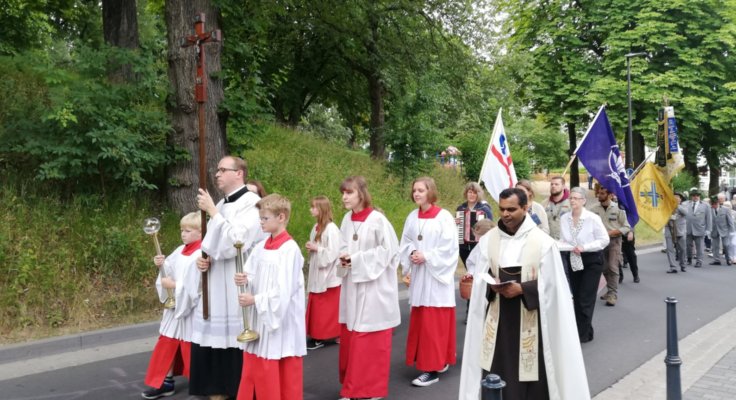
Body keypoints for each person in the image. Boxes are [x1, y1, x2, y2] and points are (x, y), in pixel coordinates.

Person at [459, 188, 588, 400]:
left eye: (511, 209)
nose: (505, 214)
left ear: (525, 208)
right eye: (501, 209)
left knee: (531, 377)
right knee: (497, 371)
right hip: (498, 322)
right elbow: (480, 274)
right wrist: (489, 285)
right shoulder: (489, 240)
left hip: (532, 322)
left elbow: (554, 287)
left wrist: (523, 289)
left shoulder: (543, 242)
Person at [192, 156, 264, 400]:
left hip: (237, 276)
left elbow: (237, 241)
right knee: (216, 332)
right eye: (217, 170)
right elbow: (213, 242)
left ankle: (239, 389)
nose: (217, 174)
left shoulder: (253, 203)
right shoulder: (222, 203)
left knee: (234, 332)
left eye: (223, 170)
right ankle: (217, 386)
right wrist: (206, 258)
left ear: (239, 173)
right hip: (216, 277)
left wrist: (212, 211)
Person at [234, 194, 306, 400]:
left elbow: (284, 291)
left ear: (281, 217)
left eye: (265, 219)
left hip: (279, 321)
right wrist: (243, 278)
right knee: (256, 366)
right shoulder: (263, 245)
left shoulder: (289, 249)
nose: (261, 222)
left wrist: (255, 300)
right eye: (260, 218)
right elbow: (253, 273)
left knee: (275, 366)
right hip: (262, 317)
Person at [337, 176, 400, 400]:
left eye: (349, 192)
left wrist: (356, 259)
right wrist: (343, 258)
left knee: (370, 340)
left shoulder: (377, 220)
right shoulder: (346, 218)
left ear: (361, 194)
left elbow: (389, 252)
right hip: (352, 285)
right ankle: (352, 387)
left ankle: (370, 389)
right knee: (352, 338)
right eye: (343, 192)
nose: (344, 197)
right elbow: (342, 245)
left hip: (374, 288)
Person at [398, 177, 458, 387]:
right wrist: (413, 252)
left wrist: (428, 256)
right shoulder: (412, 216)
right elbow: (405, 242)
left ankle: (431, 369)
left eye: (421, 190)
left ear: (430, 191)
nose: (416, 194)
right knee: (423, 322)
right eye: (414, 190)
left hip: (436, 278)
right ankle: (437, 360)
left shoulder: (444, 217)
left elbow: (450, 248)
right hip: (420, 276)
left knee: (434, 324)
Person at [141, 212, 202, 400]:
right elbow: (169, 269)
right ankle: (164, 383)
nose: (183, 234)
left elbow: (198, 285)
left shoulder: (201, 254)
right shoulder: (181, 249)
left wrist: (175, 286)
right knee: (166, 344)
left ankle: (201, 386)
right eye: (182, 230)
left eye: (188, 230)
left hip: (191, 310)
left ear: (200, 232)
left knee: (191, 348)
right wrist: (161, 263)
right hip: (174, 307)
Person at [556, 187, 609, 343]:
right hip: (573, 258)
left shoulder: (592, 218)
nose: (572, 200)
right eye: (571, 198)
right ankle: (585, 329)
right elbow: (563, 239)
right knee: (577, 296)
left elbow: (604, 240)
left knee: (585, 298)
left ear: (584, 201)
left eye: (576, 198)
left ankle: (582, 335)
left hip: (592, 259)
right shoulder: (564, 218)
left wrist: (585, 247)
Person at [304, 196, 342, 350]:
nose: (311, 210)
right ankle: (317, 334)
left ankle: (324, 335)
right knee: (318, 303)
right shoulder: (316, 227)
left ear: (321, 209)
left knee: (326, 307)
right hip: (318, 272)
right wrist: (312, 247)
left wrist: (316, 248)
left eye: (314, 207)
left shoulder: (331, 228)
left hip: (328, 274)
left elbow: (333, 252)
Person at [589, 186, 630, 307]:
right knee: (604, 268)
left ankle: (613, 294)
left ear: (610, 195)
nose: (599, 196)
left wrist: (612, 232)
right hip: (599, 243)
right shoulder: (593, 209)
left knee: (612, 267)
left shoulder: (618, 209)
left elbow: (627, 226)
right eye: (599, 193)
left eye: (602, 193)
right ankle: (609, 290)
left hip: (614, 241)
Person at [457, 182, 494, 267]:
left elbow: (491, 227)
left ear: (478, 194)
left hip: (479, 245)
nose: (472, 195)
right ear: (466, 193)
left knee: (478, 268)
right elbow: (457, 227)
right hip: (463, 245)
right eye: (470, 192)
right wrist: (455, 223)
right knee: (468, 267)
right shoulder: (461, 208)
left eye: (475, 193)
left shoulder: (484, 209)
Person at [683, 188, 712, 268]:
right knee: (688, 245)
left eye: (697, 195)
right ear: (691, 196)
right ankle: (689, 258)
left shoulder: (706, 205)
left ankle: (699, 261)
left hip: (700, 229)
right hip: (688, 228)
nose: (695, 197)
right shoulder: (686, 204)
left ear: (700, 196)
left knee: (699, 246)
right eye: (694, 195)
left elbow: (709, 218)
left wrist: (708, 230)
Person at [665, 193, 688, 273]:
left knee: (682, 249)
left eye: (677, 197)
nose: (675, 198)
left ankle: (683, 264)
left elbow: (686, 213)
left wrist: (676, 205)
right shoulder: (667, 206)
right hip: (669, 229)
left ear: (680, 199)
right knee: (669, 249)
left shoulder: (683, 206)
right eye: (674, 197)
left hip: (680, 230)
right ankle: (673, 267)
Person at [544, 175, 571, 240]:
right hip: (548, 241)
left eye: (556, 184)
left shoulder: (571, 203)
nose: (553, 186)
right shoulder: (544, 203)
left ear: (563, 186)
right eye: (552, 184)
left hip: (566, 243)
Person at [710, 193, 734, 265]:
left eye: (714, 204)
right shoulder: (710, 210)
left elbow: (730, 221)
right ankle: (716, 260)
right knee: (715, 246)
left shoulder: (725, 209)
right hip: (714, 230)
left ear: (717, 203)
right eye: (712, 204)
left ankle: (728, 259)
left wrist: (732, 231)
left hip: (724, 230)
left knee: (726, 245)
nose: (713, 205)